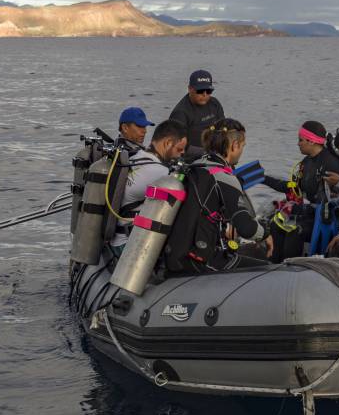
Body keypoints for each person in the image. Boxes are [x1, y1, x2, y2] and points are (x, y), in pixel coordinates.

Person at [163, 118, 272, 273]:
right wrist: (266, 233)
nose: (241, 151)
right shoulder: (224, 177)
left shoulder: (195, 165)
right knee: (266, 269)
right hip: (200, 261)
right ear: (234, 145)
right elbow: (247, 229)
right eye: (242, 146)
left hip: (175, 255)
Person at [262, 120, 339, 262]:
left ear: (311, 141)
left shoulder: (330, 163)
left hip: (323, 219)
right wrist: (263, 178)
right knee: (275, 225)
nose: (298, 144)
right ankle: (274, 264)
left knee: (295, 230)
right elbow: (292, 187)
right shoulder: (306, 162)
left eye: (301, 140)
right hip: (307, 213)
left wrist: (301, 209)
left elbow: (332, 203)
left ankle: (289, 267)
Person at [110, 119, 188, 251]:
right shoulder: (159, 172)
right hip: (127, 245)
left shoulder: (138, 157)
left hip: (116, 239)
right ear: (168, 143)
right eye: (179, 149)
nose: (182, 153)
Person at [169, 70, 225, 158]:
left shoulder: (215, 104)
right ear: (190, 89)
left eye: (208, 91)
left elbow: (224, 128)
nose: (205, 94)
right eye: (200, 91)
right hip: (191, 160)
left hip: (214, 154)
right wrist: (207, 153)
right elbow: (177, 145)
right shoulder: (180, 113)